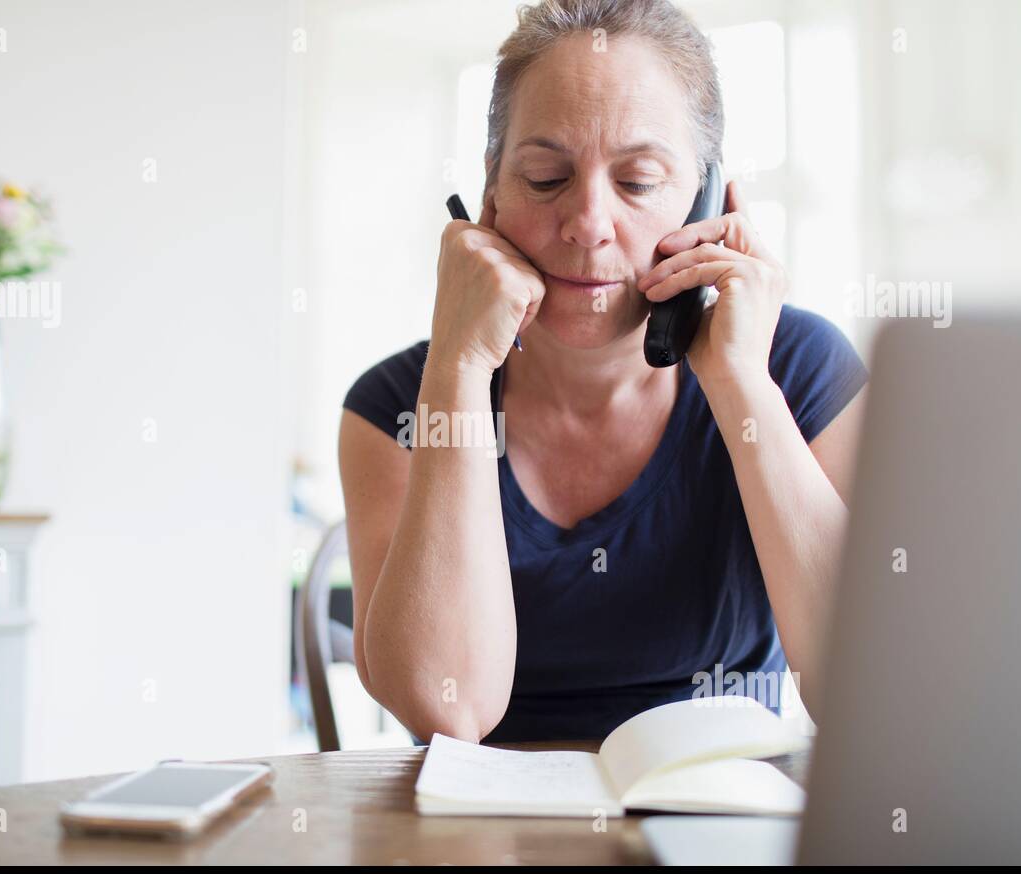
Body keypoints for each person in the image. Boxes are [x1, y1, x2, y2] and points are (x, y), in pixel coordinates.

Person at [339, 0, 868, 744]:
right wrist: (459, 367)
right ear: (489, 196)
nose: (588, 223)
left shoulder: (802, 372)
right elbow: (446, 708)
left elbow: (869, 693)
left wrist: (741, 382)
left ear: (712, 199)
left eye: (640, 181)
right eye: (546, 176)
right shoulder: (393, 404)